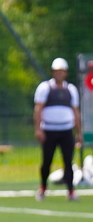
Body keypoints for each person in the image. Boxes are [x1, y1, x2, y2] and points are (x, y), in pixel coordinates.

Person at [34, 57, 83, 201]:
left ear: (65, 73)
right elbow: (38, 109)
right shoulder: (44, 88)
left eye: (61, 71)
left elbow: (75, 112)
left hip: (66, 130)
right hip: (49, 130)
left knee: (68, 161)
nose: (59, 74)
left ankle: (71, 191)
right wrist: (38, 129)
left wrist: (78, 132)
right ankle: (43, 188)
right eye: (56, 71)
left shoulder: (71, 90)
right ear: (53, 72)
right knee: (46, 161)